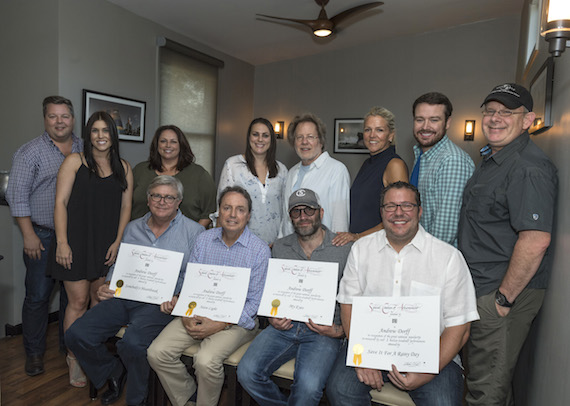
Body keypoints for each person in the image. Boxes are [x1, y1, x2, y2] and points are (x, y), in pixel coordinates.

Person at [326, 181, 479, 406]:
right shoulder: (361, 249)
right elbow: (348, 305)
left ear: (420, 210)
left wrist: (430, 370)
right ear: (381, 212)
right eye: (390, 206)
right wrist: (362, 358)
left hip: (430, 354)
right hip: (370, 347)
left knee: (442, 403)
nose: (398, 213)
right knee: (340, 390)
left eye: (407, 205)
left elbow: (460, 327)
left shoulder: (448, 258)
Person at [458, 83, 558, 406]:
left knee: (485, 393)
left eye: (507, 112)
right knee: (487, 381)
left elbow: (536, 240)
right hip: (481, 288)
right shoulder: (492, 159)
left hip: (499, 295)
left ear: (528, 120)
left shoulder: (529, 168)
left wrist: (502, 300)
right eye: (490, 111)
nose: (495, 118)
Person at [65, 176, 204, 406]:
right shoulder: (132, 228)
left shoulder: (194, 232)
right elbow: (121, 265)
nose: (162, 201)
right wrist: (108, 285)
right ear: (148, 200)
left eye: (169, 197)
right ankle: (113, 371)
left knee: (133, 343)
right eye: (156, 196)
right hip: (125, 296)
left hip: (160, 304)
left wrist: (179, 298)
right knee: (76, 334)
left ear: (178, 201)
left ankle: (137, 400)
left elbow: (195, 276)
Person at [147, 186, 271, 406]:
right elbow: (190, 285)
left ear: (248, 216)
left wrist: (219, 324)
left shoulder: (260, 250)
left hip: (236, 322)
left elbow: (254, 303)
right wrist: (185, 314)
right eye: (227, 208)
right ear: (219, 212)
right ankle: (188, 398)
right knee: (157, 352)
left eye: (240, 209)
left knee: (205, 360)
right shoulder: (204, 240)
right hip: (198, 311)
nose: (233, 215)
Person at [237, 188, 352, 405]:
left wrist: (340, 331)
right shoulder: (280, 247)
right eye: (296, 212)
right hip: (284, 328)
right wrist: (272, 316)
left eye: (308, 210)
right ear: (290, 217)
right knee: (246, 373)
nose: (303, 217)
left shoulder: (344, 248)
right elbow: (271, 289)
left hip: (323, 333)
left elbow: (356, 297)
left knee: (308, 388)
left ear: (321, 212)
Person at [48, 111, 133, 387]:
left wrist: (119, 241)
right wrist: (61, 242)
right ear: (88, 135)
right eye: (95, 131)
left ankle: (92, 356)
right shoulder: (75, 161)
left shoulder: (124, 167)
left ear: (113, 135)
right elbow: (60, 203)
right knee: (78, 302)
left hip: (105, 245)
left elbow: (126, 207)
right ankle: (74, 357)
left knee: (98, 302)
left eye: (105, 130)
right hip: (74, 243)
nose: (100, 136)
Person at [6, 96, 83, 376]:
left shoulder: (85, 148)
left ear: (72, 119)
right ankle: (35, 354)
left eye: (64, 116)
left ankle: (69, 348)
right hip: (43, 235)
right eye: (53, 116)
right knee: (38, 297)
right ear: (45, 119)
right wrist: (28, 234)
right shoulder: (29, 153)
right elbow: (17, 198)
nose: (59, 121)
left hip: (77, 237)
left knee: (72, 297)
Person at [333, 107, 408, 246]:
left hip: (380, 246)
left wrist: (357, 236)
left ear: (390, 135)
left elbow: (399, 215)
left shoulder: (394, 165)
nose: (372, 135)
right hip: (363, 246)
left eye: (379, 130)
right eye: (368, 130)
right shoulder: (368, 163)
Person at [409, 92, 474, 247]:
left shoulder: (452, 160)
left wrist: (422, 261)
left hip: (436, 260)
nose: (425, 126)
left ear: (447, 122)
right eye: (420, 120)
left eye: (434, 120)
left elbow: (444, 231)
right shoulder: (422, 155)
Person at [217, 117, 288, 245]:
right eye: (255, 134)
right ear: (249, 137)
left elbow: (285, 210)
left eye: (265, 135)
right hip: (239, 243)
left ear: (271, 139)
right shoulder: (232, 165)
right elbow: (221, 207)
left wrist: (280, 242)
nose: (260, 139)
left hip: (274, 244)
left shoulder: (282, 170)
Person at [280, 113, 350, 237]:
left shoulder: (336, 170)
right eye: (299, 137)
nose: (304, 142)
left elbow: (340, 221)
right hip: (292, 250)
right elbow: (286, 219)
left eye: (310, 137)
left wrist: (335, 252)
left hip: (323, 250)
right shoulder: (292, 173)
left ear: (320, 141)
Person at [132, 125, 216, 227]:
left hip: (185, 240)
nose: (168, 145)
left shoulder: (200, 175)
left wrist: (193, 237)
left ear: (181, 145)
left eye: (173, 141)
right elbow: (125, 205)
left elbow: (209, 213)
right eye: (163, 141)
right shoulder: (140, 170)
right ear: (156, 144)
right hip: (139, 237)